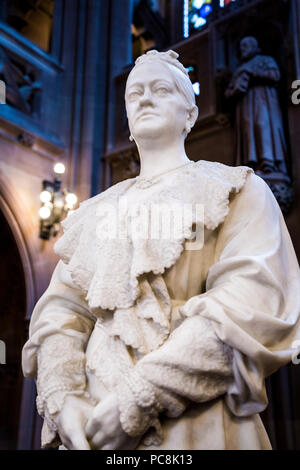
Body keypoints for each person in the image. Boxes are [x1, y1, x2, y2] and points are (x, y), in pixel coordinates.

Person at [22, 50, 300, 450]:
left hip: (193, 424)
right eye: (134, 94)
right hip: (92, 428)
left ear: (190, 114)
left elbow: (251, 300)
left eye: (161, 89)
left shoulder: (237, 189)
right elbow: (62, 311)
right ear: (128, 122)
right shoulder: (92, 213)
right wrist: (63, 395)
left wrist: (142, 394)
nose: (144, 99)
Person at [225, 37, 289, 175]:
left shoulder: (265, 60)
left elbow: (275, 75)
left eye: (245, 45)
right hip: (244, 106)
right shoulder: (239, 69)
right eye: (241, 46)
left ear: (254, 46)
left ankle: (268, 163)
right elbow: (228, 93)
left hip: (264, 100)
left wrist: (253, 73)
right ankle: (251, 164)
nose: (242, 48)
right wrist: (235, 90)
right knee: (248, 130)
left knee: (262, 125)